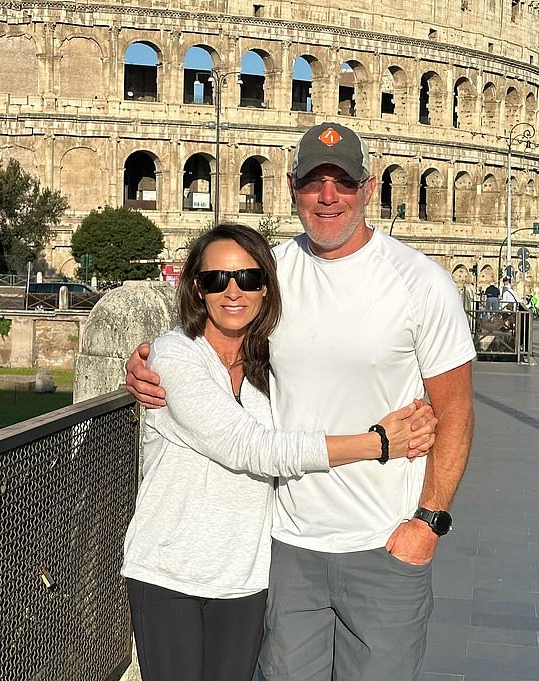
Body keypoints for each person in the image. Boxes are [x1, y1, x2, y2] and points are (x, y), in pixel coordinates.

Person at [127, 121, 476, 681]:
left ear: (367, 187)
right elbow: (213, 337)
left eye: (343, 182)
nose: (328, 197)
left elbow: (456, 412)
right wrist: (149, 358)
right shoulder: (274, 276)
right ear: (293, 188)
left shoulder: (421, 283)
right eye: (315, 183)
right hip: (287, 547)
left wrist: (429, 523)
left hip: (384, 541)